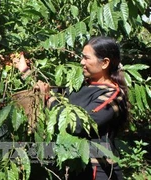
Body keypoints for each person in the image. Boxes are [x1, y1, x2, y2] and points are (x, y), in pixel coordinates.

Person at [16, 36, 129, 180]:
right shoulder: (80, 84)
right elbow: (51, 93)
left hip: (97, 170)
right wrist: (25, 71)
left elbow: (79, 125)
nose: (82, 62)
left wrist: (48, 99)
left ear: (105, 63)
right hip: (74, 166)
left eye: (87, 58)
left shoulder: (112, 95)